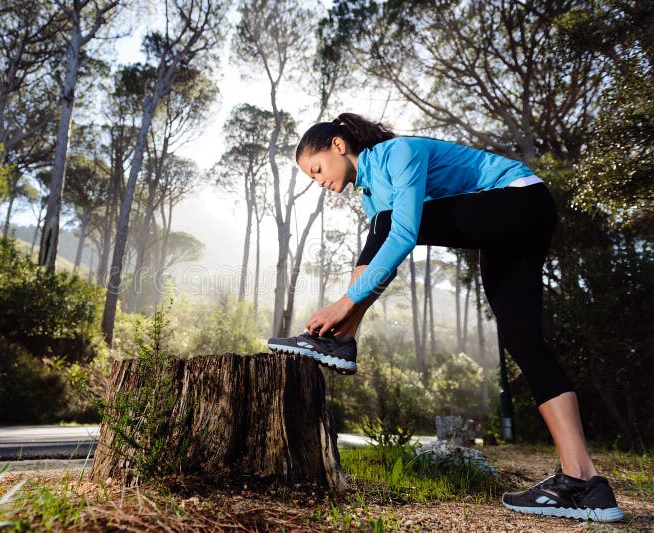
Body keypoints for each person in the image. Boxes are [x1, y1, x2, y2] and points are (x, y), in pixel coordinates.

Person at [267, 113, 624, 522]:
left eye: (316, 170)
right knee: (523, 340)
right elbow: (384, 255)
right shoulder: (369, 194)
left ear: (337, 145)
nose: (319, 182)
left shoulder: (397, 153)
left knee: (387, 226)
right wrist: (350, 307)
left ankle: (341, 336)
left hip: (519, 198)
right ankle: (584, 482)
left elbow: (402, 233)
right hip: (513, 222)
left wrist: (344, 304)